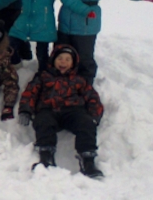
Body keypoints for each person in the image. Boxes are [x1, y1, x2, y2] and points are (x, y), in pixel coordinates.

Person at [17, 44, 104, 178]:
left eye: (67, 59)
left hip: (73, 111)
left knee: (85, 124)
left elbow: (92, 96)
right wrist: (25, 110)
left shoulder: (79, 80)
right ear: (53, 60)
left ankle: (88, 161)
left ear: (73, 63)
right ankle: (46, 156)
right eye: (60, 59)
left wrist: (94, 115)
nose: (63, 62)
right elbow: (30, 93)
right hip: (48, 109)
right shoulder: (43, 76)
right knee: (43, 122)